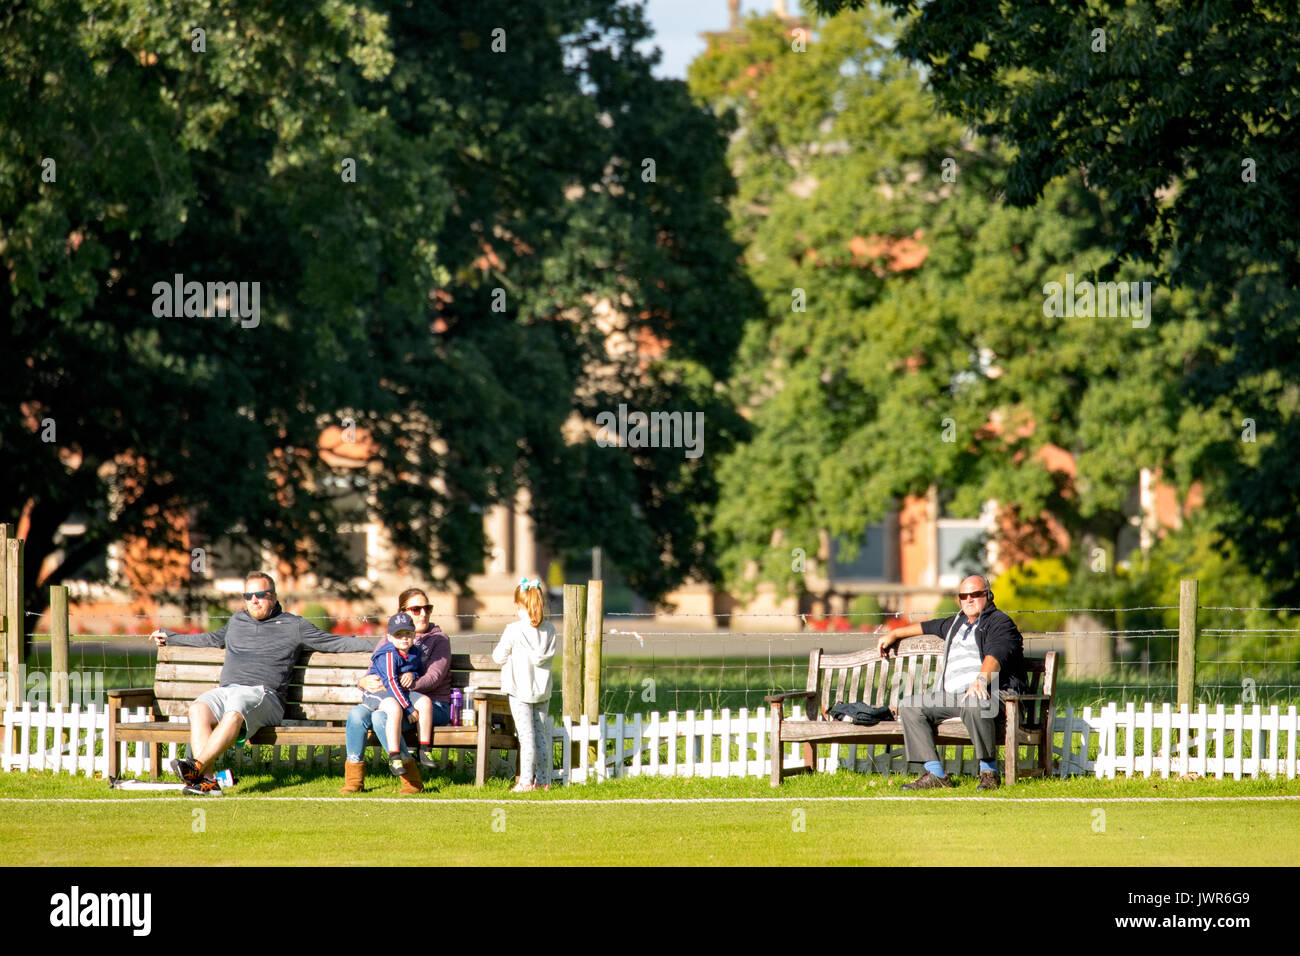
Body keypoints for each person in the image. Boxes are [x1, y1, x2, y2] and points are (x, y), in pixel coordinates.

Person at [150, 572, 376, 794]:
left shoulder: (294, 626)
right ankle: (207, 782)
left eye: (260, 594)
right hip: (228, 690)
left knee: (234, 711)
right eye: (248, 596)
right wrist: (172, 637)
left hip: (265, 695)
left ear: (274, 597)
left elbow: (334, 643)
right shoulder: (237, 621)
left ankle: (196, 768)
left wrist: (380, 646)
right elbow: (211, 639)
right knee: (199, 708)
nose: (253, 600)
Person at [875, 574, 1027, 792]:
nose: (969, 599)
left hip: (997, 693)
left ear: (989, 595)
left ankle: (989, 772)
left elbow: (996, 655)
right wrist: (895, 633)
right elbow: (926, 627)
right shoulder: (956, 624)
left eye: (976, 594)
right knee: (910, 706)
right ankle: (936, 774)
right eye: (964, 596)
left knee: (974, 702)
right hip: (955, 696)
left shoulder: (1000, 623)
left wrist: (981, 681)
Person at [341, 588, 451, 794]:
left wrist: (398, 684)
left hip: (430, 704)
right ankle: (353, 781)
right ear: (403, 612)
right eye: (416, 609)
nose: (424, 613)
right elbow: (372, 672)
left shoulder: (439, 640)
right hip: (392, 698)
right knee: (357, 714)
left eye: (427, 608)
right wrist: (363, 682)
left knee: (382, 718)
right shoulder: (389, 639)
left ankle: (411, 780)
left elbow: (433, 679)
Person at [491, 577, 557, 793]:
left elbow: (498, 656)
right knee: (541, 736)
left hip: (519, 691)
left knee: (526, 738)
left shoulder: (513, 630)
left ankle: (525, 782)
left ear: (519, 606)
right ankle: (544, 780)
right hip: (541, 692)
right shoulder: (550, 630)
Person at [364, 612, 437, 775]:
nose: (404, 638)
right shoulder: (389, 654)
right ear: (389, 637)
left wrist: (413, 675)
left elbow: (418, 671)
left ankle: (424, 749)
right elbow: (390, 682)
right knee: (395, 709)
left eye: (408, 634)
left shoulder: (414, 651)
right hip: (379, 691)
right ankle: (395, 757)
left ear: (414, 634)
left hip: (399, 691)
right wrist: (408, 708)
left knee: (425, 702)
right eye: (399, 635)